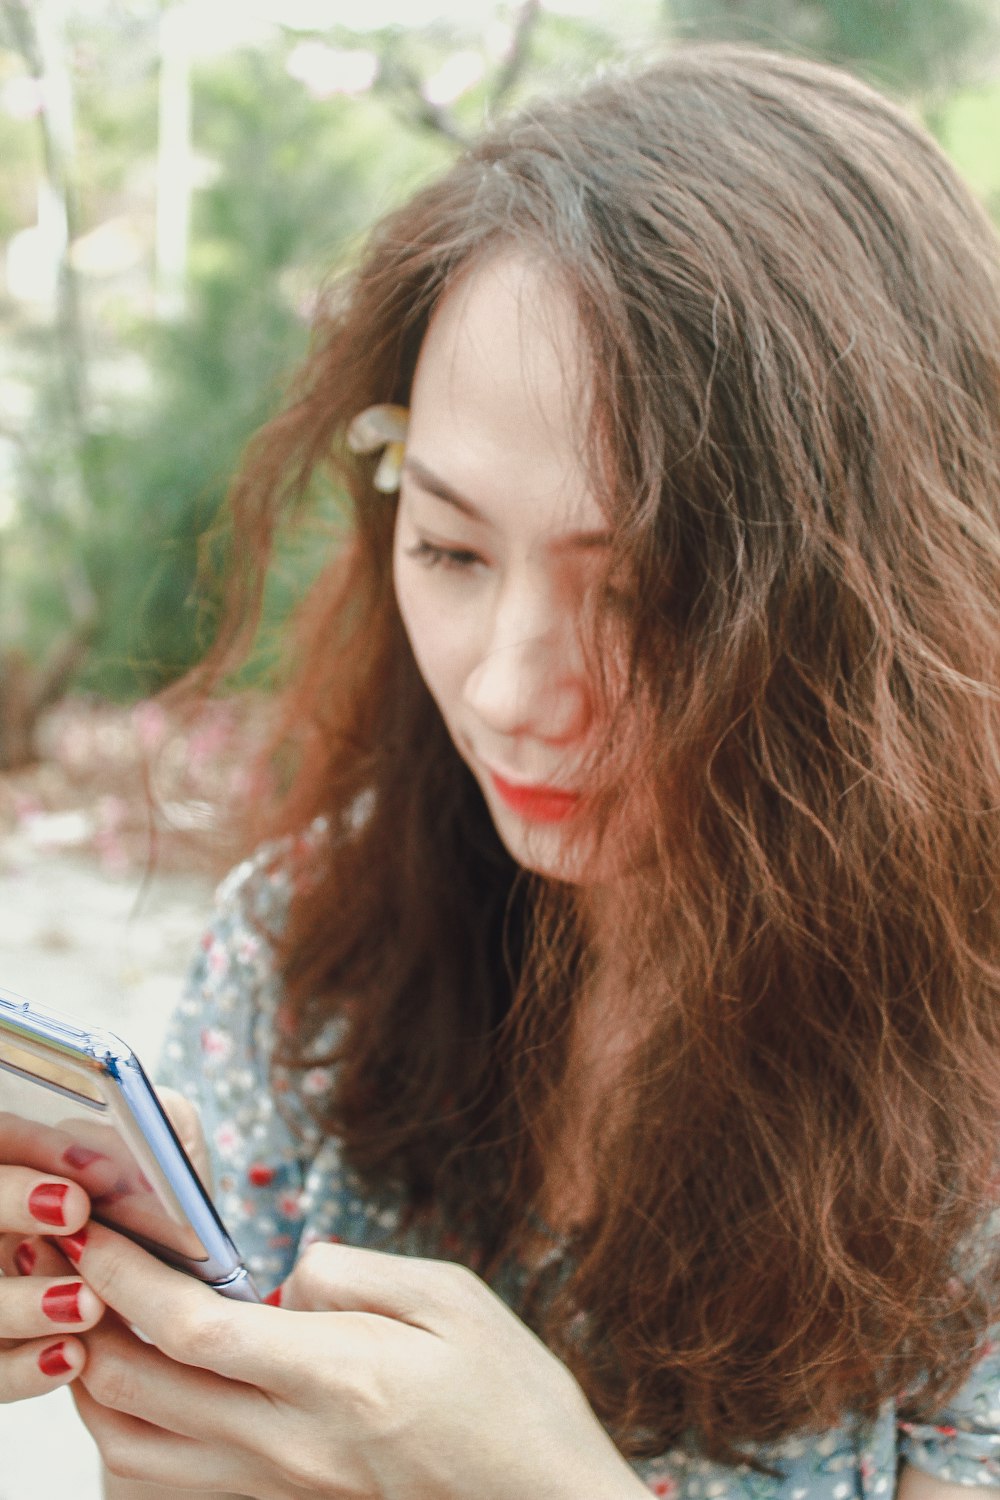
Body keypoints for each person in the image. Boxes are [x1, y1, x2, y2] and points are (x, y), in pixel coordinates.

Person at [2, 40, 1000, 1500]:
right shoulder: (306, 956)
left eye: (644, 589)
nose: (509, 688)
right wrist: (142, 1385)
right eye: (454, 549)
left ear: (883, 605)